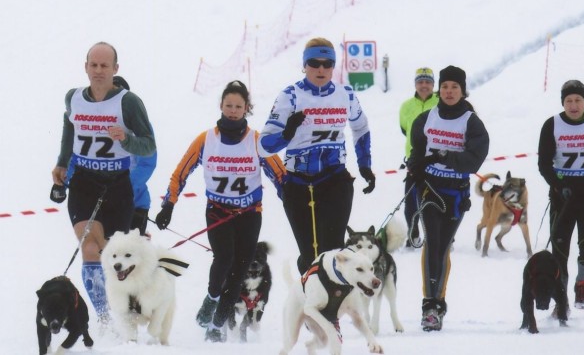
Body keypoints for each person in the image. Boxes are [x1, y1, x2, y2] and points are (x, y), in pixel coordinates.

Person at [156, 80, 285, 341]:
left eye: (238, 106)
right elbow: (181, 172)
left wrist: (293, 200)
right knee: (224, 259)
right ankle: (212, 297)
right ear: (221, 106)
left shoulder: (257, 141)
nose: (233, 111)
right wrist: (169, 203)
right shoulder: (206, 140)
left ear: (247, 108)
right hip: (218, 211)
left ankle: (216, 325)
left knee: (239, 270)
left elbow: (280, 176)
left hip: (249, 213)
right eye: (229, 105)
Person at [51, 42, 156, 325]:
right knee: (89, 248)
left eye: (104, 66)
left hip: (118, 184)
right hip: (84, 182)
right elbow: (68, 129)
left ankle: (125, 310)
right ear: (86, 67)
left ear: (115, 69)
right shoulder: (73, 98)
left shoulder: (128, 102)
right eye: (93, 65)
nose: (98, 71)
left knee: (113, 255)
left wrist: (126, 139)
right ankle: (104, 318)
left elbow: (148, 146)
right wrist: (62, 163)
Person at [259, 37, 375, 275]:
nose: (321, 69)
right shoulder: (290, 96)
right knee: (310, 256)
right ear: (304, 65)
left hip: (334, 180)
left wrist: (365, 165)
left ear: (334, 66)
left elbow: (361, 127)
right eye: (314, 63)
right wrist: (287, 132)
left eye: (327, 63)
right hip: (298, 183)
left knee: (332, 253)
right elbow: (264, 146)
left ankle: (332, 310)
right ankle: (310, 306)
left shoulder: (346, 94)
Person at [407, 65, 489, 332]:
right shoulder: (426, 118)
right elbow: (417, 153)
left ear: (462, 90)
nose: (449, 91)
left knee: (443, 246)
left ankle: (437, 302)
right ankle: (430, 306)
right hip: (430, 188)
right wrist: (416, 169)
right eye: (445, 87)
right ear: (438, 90)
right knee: (433, 241)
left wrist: (445, 156)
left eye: (454, 87)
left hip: (455, 192)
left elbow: (473, 160)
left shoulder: (471, 122)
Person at [537, 80, 584, 310]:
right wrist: (558, 185)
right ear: (563, 103)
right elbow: (544, 163)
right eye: (568, 101)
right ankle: (561, 298)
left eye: (578, 100)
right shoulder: (552, 125)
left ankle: (582, 281)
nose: (573, 105)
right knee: (560, 251)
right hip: (563, 197)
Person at [64, 75, 157, 236]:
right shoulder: (89, 122)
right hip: (95, 199)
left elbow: (147, 163)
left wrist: (119, 187)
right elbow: (77, 159)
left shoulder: (137, 123)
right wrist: (65, 183)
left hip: (133, 202)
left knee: (126, 257)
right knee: (99, 251)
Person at [398, 67, 439, 246]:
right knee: (411, 203)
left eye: (428, 82)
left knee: (437, 201)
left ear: (433, 84)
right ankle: (413, 235)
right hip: (414, 162)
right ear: (415, 84)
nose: (424, 85)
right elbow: (405, 130)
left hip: (437, 161)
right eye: (420, 82)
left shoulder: (441, 102)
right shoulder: (406, 106)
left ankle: (443, 237)